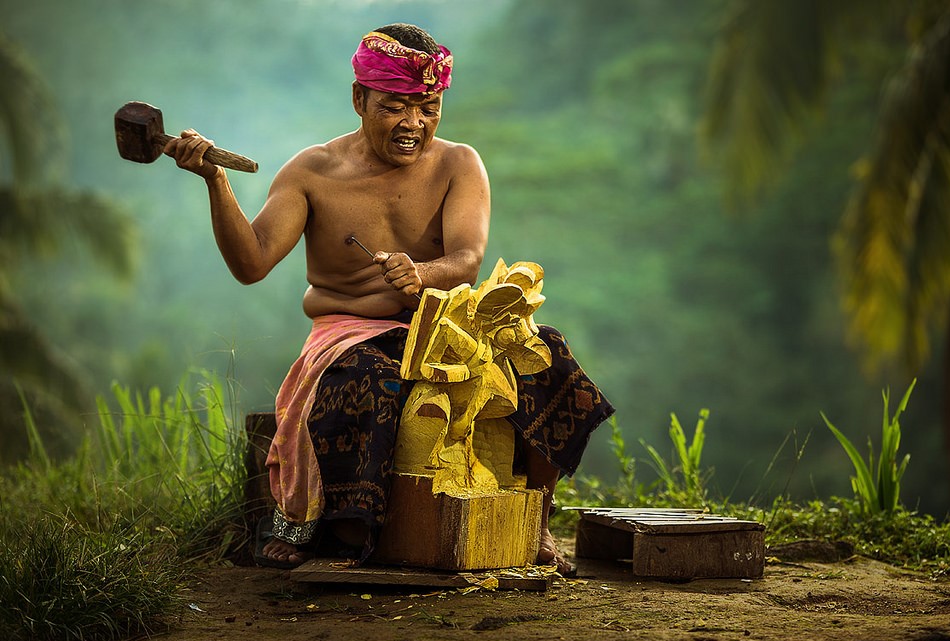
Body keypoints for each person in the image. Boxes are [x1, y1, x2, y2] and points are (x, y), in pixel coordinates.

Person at [165, 23, 614, 575]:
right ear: (359, 98)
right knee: (367, 378)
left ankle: (534, 520)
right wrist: (215, 181)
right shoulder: (312, 172)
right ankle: (338, 533)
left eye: (428, 107)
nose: (413, 125)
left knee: (545, 353)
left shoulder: (459, 164)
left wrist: (423, 272)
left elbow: (468, 259)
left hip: (447, 321)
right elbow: (251, 263)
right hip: (350, 331)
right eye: (395, 107)